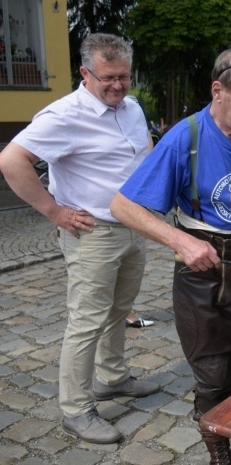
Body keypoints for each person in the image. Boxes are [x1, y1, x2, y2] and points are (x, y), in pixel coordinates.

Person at [110, 46, 231, 462]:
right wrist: (180, 242)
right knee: (214, 373)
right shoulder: (185, 136)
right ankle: (220, 452)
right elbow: (123, 206)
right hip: (203, 268)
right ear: (218, 90)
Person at [0, 33, 160, 445]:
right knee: (86, 321)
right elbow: (11, 159)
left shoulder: (132, 107)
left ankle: (114, 377)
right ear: (84, 72)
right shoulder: (64, 115)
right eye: (108, 77)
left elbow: (141, 152)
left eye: (124, 76)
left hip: (134, 225)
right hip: (93, 234)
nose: (118, 85)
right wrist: (54, 211)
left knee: (119, 309)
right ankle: (76, 408)